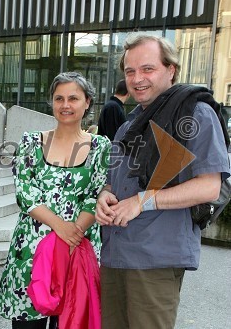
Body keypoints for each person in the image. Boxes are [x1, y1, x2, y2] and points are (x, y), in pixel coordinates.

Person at [95, 34, 230, 329]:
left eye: (147, 69)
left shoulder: (195, 113)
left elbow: (210, 185)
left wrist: (142, 201)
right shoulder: (128, 126)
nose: (136, 78)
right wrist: (104, 196)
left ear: (171, 70)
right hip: (115, 255)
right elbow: (113, 183)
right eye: (130, 71)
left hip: (155, 258)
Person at [0, 72, 111, 328]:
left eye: (73, 98)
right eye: (59, 98)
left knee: (72, 320)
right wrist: (62, 227)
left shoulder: (101, 147)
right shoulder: (30, 142)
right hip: (32, 251)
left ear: (87, 102)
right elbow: (25, 192)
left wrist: (75, 233)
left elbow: (97, 193)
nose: (65, 105)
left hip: (77, 251)